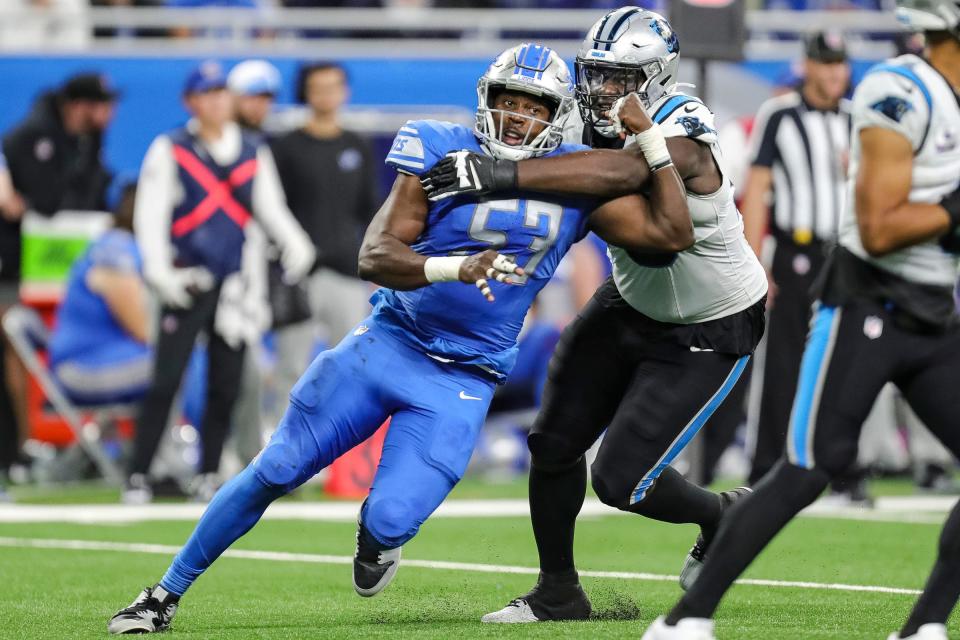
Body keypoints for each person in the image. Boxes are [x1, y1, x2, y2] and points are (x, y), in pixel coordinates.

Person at [105, 42, 694, 634]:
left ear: (556, 114)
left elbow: (671, 231)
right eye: (508, 100)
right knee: (276, 465)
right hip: (389, 341)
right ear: (486, 99)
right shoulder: (442, 149)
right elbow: (375, 254)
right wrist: (451, 267)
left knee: (391, 518)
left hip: (465, 374)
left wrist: (651, 145)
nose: (518, 116)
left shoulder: (575, 180)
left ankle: (376, 536)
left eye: (535, 106)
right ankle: (161, 596)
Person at [420, 7, 767, 623]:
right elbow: (552, 162)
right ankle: (558, 591)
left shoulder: (683, 119)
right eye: (595, 75)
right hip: (630, 301)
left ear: (654, 78)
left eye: (617, 78)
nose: (601, 90)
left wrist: (501, 173)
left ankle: (723, 514)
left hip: (710, 320)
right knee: (552, 443)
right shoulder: (583, 117)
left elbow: (629, 171)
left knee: (621, 480)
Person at [644, 2, 960, 639]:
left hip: (935, 310)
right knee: (808, 466)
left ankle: (924, 626)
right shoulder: (901, 89)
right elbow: (879, 225)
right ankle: (684, 621)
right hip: (868, 301)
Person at [125, 61, 315, 504]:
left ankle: (208, 471)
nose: (215, 102)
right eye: (206, 94)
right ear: (190, 101)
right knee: (166, 379)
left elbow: (271, 207)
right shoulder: (171, 148)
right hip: (186, 279)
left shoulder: (251, 149)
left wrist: (295, 243)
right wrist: (158, 271)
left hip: (234, 286)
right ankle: (138, 473)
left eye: (221, 93)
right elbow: (150, 216)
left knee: (225, 383)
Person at [740, 32, 868, 500]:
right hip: (797, 251)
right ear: (808, 66)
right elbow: (758, 189)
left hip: (848, 253)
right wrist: (756, 263)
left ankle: (841, 466)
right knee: (785, 362)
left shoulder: (857, 119)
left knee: (850, 362)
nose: (835, 73)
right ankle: (768, 467)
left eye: (841, 64)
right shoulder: (781, 114)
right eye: (826, 63)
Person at [269, 61, 377, 417]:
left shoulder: (357, 146)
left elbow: (370, 210)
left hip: (346, 272)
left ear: (344, 92)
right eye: (319, 87)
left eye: (333, 86)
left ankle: (344, 457)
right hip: (298, 273)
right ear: (305, 93)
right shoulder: (285, 148)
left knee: (350, 364)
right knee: (292, 365)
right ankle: (283, 451)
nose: (326, 95)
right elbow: (273, 209)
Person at [48, 177, 152, 405]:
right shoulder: (116, 251)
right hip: (81, 367)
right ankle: (210, 439)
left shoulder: (120, 245)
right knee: (180, 361)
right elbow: (142, 329)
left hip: (104, 356)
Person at [227, 59, 282, 134]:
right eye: (252, 97)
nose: (258, 105)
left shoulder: (275, 137)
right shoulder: (219, 138)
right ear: (234, 98)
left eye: (265, 98)